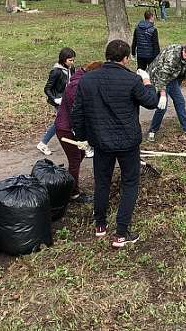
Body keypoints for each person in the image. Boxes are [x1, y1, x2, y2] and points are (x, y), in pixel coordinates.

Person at [71, 40, 158, 247]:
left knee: (102, 182)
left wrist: (82, 138)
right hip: (128, 142)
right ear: (126, 59)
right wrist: (147, 81)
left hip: (101, 142)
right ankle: (121, 233)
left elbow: (77, 112)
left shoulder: (87, 79)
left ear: (107, 56)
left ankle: (100, 225)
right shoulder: (132, 79)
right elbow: (151, 101)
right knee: (130, 183)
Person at [55, 61, 102, 204]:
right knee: (75, 159)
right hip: (66, 129)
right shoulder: (76, 86)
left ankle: (69, 183)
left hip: (72, 128)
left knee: (80, 155)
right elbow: (78, 112)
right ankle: (73, 194)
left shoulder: (81, 81)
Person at [146, 43, 186, 142]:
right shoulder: (171, 58)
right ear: (184, 51)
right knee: (162, 107)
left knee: (180, 102)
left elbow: (185, 68)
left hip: (171, 79)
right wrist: (163, 95)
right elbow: (162, 77)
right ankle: (152, 131)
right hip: (158, 77)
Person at [37, 47, 76, 155]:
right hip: (59, 101)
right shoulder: (56, 71)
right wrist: (55, 99)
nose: (72, 62)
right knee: (62, 121)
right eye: (70, 60)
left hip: (68, 100)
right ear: (64, 59)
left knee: (65, 121)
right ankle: (43, 143)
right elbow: (47, 88)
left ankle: (78, 145)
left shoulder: (71, 68)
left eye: (73, 60)